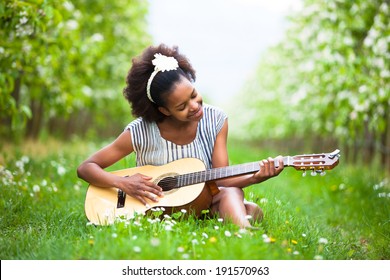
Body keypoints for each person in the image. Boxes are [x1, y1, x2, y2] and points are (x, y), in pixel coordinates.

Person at [77, 43, 284, 229]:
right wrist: (123, 183)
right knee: (249, 210)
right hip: (154, 210)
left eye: (193, 95)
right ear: (165, 111)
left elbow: (223, 179)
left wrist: (255, 177)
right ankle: (240, 215)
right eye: (182, 106)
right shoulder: (140, 131)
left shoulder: (216, 120)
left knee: (232, 194)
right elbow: (86, 168)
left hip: (200, 203)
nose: (195, 106)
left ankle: (244, 233)